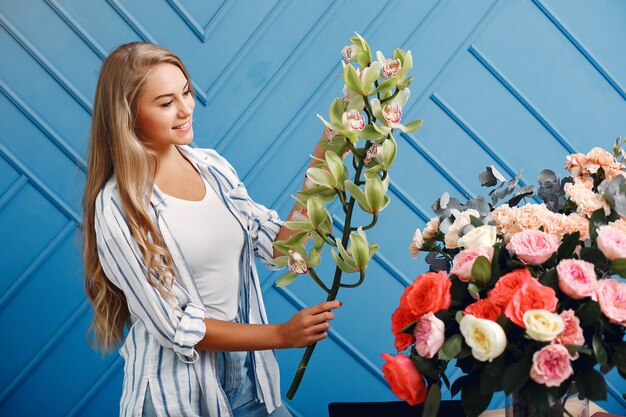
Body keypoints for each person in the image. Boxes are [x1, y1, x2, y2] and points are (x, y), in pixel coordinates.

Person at [81, 42, 341, 417]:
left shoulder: (212, 167)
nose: (186, 109)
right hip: (177, 395)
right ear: (130, 115)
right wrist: (281, 336)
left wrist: (324, 163)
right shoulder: (118, 208)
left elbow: (280, 248)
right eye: (166, 102)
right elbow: (177, 327)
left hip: (249, 378)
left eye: (185, 92)